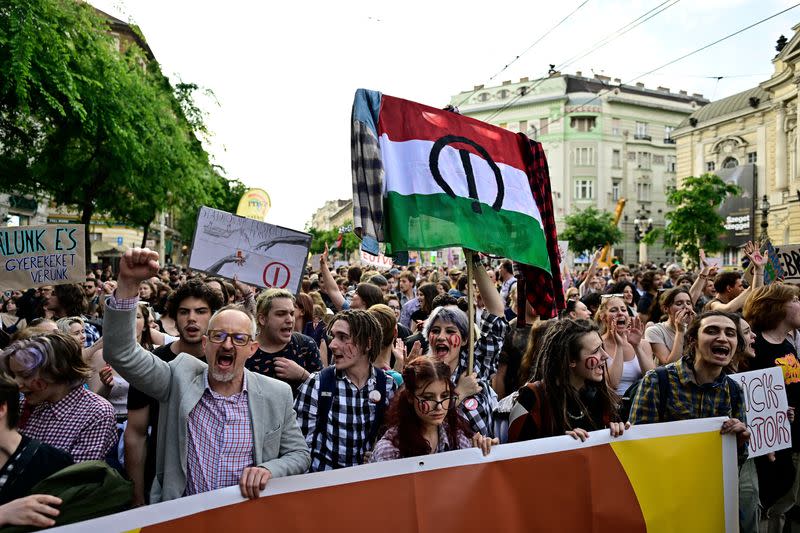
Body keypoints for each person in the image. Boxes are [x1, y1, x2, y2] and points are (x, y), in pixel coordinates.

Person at [105, 247, 310, 503]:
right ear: (205, 344)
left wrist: (269, 469)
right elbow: (121, 353)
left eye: (238, 338)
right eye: (219, 336)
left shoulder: (276, 393)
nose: (227, 345)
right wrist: (127, 284)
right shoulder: (177, 377)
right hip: (183, 517)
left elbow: (300, 455)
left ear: (252, 349)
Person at [124, 279, 223, 506]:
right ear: (173, 317)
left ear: (213, 316)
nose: (191, 319)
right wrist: (137, 495)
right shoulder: (154, 362)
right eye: (184, 311)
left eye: (200, 311)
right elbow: (136, 433)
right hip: (163, 481)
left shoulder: (226, 362)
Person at [628, 311, 750, 454]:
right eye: (711, 331)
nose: (723, 338)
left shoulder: (734, 390)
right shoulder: (657, 381)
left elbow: (738, 458)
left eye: (730, 334)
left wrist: (739, 442)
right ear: (693, 340)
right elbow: (637, 445)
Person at [295, 309, 397, 471]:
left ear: (368, 344)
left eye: (343, 337)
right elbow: (298, 448)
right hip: (324, 485)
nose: (332, 345)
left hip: (367, 485)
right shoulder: (317, 383)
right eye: (333, 336)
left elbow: (392, 439)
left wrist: (379, 454)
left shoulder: (387, 386)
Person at [421, 261, 507, 437]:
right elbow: (422, 425)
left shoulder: (473, 366)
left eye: (450, 331)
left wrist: (474, 260)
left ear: (465, 339)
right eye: (435, 330)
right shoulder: (421, 373)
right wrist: (460, 393)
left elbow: (496, 313)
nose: (441, 337)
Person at [0, 332, 117, 462]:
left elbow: (75, 476)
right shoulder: (21, 406)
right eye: (13, 375)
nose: (16, 384)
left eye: (25, 375)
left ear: (56, 371)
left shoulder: (96, 413)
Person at [508, 319, 626, 443]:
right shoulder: (532, 397)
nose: (605, 356)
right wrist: (561, 443)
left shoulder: (599, 396)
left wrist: (617, 430)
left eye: (602, 347)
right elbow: (516, 454)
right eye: (595, 351)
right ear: (571, 360)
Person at [742, 283, 800, 533]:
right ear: (776, 307)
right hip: (770, 445)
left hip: (792, 436)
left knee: (789, 499)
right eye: (795, 299)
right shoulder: (755, 348)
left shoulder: (787, 345)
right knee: (770, 500)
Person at [370, 357, 497, 462]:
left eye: (445, 395)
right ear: (410, 397)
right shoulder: (390, 449)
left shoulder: (457, 439)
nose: (439, 406)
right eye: (428, 397)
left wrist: (485, 450)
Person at [247, 289, 322, 393]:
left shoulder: (306, 345)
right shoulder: (246, 350)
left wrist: (303, 375)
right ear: (262, 319)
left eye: (291, 313)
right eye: (281, 314)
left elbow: (324, 392)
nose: (289, 320)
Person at [596, 295, 654, 395]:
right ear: (603, 317)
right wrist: (619, 346)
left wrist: (637, 346)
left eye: (623, 309)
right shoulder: (598, 344)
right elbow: (612, 384)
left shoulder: (643, 343)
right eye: (613, 310)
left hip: (640, 404)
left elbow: (652, 378)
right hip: (612, 405)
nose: (620, 313)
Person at [645, 288, 695, 366]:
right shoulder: (654, 331)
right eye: (679, 304)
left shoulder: (693, 329)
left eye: (689, 303)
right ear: (666, 309)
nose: (686, 307)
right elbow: (670, 365)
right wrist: (680, 331)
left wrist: (694, 328)